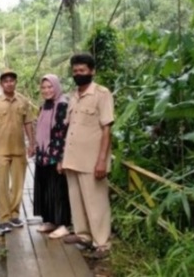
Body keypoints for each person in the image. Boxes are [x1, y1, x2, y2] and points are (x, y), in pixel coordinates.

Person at [61, 53, 115, 259]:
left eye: (82, 71)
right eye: (75, 71)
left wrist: (102, 160)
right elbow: (70, 127)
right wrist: (62, 159)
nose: (78, 74)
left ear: (92, 71)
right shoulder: (73, 95)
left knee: (96, 202)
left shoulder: (102, 94)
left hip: (92, 160)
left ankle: (102, 243)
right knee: (77, 201)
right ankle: (84, 235)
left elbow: (106, 129)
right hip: (72, 158)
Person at [0, 69, 36, 233]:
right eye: (5, 81)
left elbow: (28, 124)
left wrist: (32, 143)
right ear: (1, 84)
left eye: (12, 80)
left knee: (19, 185)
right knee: (2, 185)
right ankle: (4, 218)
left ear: (15, 82)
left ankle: (14, 215)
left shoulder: (23, 101)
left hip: (19, 148)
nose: (9, 83)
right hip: (0, 150)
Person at [33, 74, 72, 239]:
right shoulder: (44, 106)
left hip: (56, 154)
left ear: (56, 87)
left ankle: (63, 224)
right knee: (45, 188)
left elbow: (65, 133)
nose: (47, 90)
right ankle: (49, 220)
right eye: (43, 87)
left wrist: (62, 159)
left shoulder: (62, 105)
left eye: (50, 87)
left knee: (58, 189)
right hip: (43, 154)